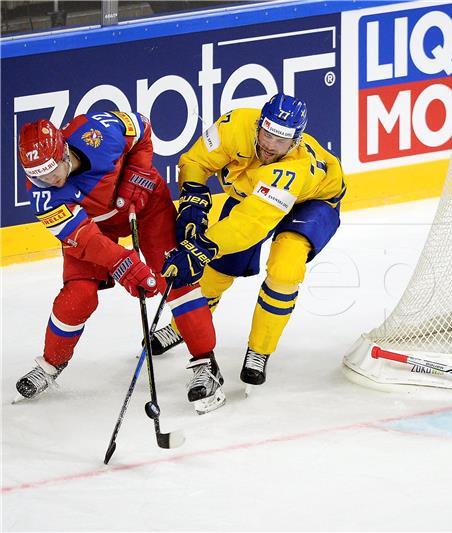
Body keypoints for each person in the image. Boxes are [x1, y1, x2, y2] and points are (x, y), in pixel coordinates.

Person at [157, 92, 346, 408]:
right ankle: (180, 327)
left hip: (312, 202)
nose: (271, 144)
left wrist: (202, 246)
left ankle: (260, 349)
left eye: (281, 140)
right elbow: (196, 161)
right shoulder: (235, 125)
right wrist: (192, 193)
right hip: (251, 195)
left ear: (295, 142)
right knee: (217, 271)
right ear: (258, 124)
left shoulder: (294, 167)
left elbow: (251, 224)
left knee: (286, 270)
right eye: (267, 133)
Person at [15, 112, 216, 405]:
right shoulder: (44, 197)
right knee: (78, 296)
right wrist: (125, 264)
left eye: (52, 170)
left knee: (174, 276)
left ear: (63, 151)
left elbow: (143, 128)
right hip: (93, 229)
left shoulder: (96, 131)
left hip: (146, 207)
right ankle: (50, 364)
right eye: (38, 175)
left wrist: (139, 171)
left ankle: (205, 363)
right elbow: (86, 241)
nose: (49, 180)